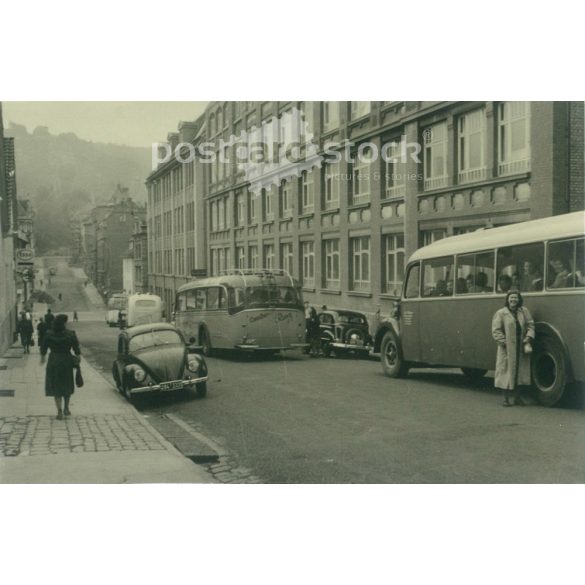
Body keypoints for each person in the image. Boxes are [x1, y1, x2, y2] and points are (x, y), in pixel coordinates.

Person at [492, 290, 535, 406]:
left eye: (515, 298)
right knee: (505, 371)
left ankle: (517, 398)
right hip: (507, 348)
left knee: (519, 372)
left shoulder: (524, 312)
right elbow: (496, 330)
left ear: (519, 300)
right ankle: (505, 399)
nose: (513, 300)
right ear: (507, 300)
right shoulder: (501, 313)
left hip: (520, 346)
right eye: (511, 298)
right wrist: (503, 342)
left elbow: (530, 325)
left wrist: (528, 337)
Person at [40, 314, 81, 420]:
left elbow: (43, 347)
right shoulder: (70, 334)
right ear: (64, 323)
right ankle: (66, 408)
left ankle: (59, 411)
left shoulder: (49, 333)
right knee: (67, 384)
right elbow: (76, 348)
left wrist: (42, 357)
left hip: (54, 360)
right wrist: (78, 358)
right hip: (66, 360)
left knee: (56, 385)